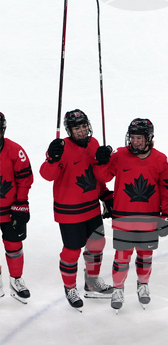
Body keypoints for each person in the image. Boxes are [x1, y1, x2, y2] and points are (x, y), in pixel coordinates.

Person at [93, 118, 168, 312]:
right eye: (132, 137)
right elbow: (103, 177)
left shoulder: (161, 159)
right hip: (123, 217)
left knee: (145, 255)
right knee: (122, 257)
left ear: (149, 138)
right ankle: (118, 289)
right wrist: (101, 161)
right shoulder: (119, 155)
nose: (135, 141)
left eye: (139, 138)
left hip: (149, 217)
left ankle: (143, 284)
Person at [39, 109, 114, 311]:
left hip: (91, 207)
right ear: (69, 130)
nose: (81, 131)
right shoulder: (60, 147)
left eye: (83, 127)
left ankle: (91, 281)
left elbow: (101, 177)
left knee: (97, 244)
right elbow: (46, 175)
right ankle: (70, 287)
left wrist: (105, 191)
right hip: (69, 210)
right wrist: (52, 159)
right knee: (72, 251)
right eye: (76, 128)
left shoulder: (94, 143)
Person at [0, 112, 33, 302]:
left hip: (10, 209)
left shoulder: (14, 150)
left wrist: (21, 203)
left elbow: (25, 179)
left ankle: (16, 279)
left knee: (14, 245)